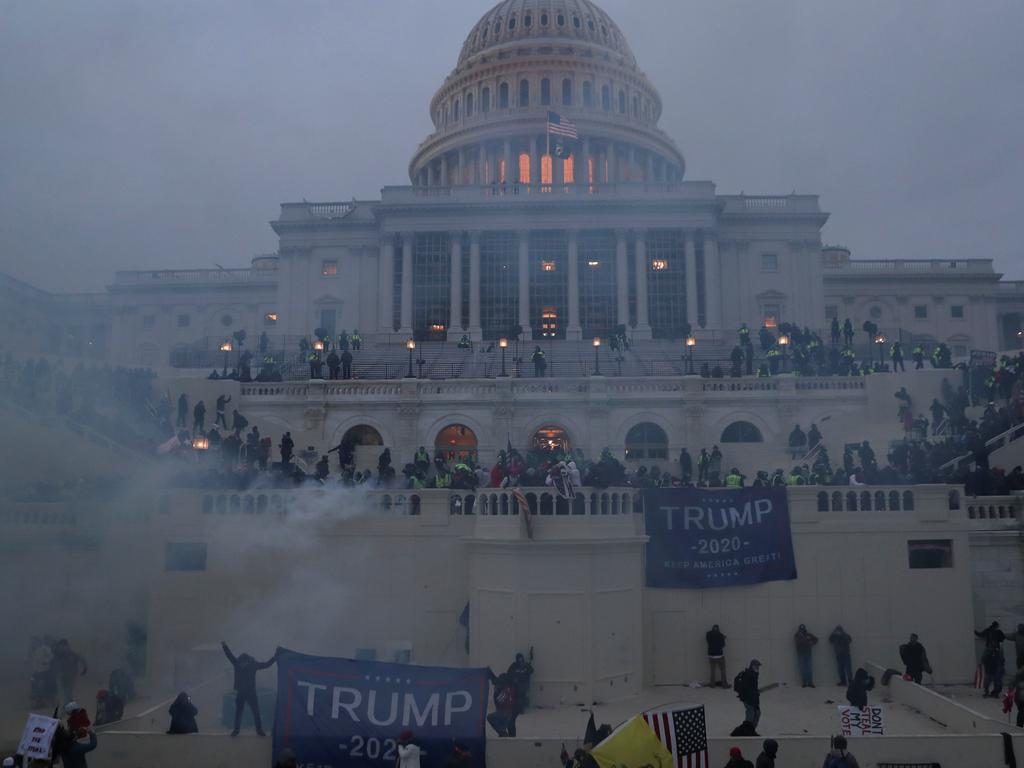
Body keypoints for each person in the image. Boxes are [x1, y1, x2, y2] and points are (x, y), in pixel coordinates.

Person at [221, 641, 278, 736]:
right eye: (241, 663)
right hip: (242, 692)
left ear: (247, 662)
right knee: (240, 712)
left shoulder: (251, 665)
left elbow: (267, 664)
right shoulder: (239, 664)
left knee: (255, 711)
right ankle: (237, 730)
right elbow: (229, 655)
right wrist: (224, 646)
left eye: (244, 663)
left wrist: (275, 657)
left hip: (250, 692)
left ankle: (258, 730)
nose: (242, 665)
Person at [975, 621, 1006, 698]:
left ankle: (987, 692)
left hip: (990, 662)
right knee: (997, 678)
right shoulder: (998, 634)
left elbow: (980, 634)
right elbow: (1003, 638)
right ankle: (995, 692)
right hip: (996, 660)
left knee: (989, 677)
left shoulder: (988, 631)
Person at [733, 659, 762, 735]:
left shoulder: (754, 674)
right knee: (751, 714)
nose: (758, 668)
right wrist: (750, 694)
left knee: (757, 713)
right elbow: (745, 687)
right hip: (748, 699)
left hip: (753, 698)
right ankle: (748, 730)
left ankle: (751, 730)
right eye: (757, 666)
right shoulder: (749, 674)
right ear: (752, 666)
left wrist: (755, 692)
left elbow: (752, 687)